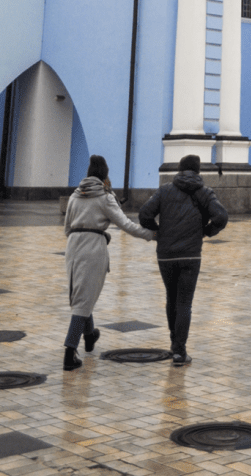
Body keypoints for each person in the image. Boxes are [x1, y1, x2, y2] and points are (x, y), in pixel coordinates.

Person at [63, 154, 155, 372]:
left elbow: (67, 227)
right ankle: (69, 352)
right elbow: (126, 224)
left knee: (82, 293)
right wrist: (152, 234)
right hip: (93, 246)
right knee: (84, 298)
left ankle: (90, 335)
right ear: (104, 174)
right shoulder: (105, 197)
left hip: (72, 245)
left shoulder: (75, 196)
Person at [138, 154, 228, 367]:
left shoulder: (165, 190)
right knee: (184, 302)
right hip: (190, 255)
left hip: (166, 255)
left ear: (179, 170)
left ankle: (174, 343)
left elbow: (144, 215)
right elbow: (221, 217)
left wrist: (159, 231)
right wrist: (206, 232)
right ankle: (179, 352)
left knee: (172, 298)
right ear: (198, 171)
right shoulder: (205, 193)